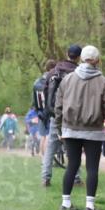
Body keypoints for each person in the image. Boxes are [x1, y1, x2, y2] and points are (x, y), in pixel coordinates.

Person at [54, 45, 105, 210]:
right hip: (93, 130)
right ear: (97, 61)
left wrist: (59, 127)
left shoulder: (67, 80)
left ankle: (65, 204)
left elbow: (58, 106)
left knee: (72, 165)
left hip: (70, 128)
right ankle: (90, 206)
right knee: (92, 168)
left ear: (81, 59)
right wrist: (98, 115)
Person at [41, 46, 80, 187]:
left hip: (55, 113)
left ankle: (45, 177)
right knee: (73, 147)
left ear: (66, 54)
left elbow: (46, 92)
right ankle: (76, 177)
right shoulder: (78, 73)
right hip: (72, 115)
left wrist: (49, 111)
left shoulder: (54, 71)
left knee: (51, 146)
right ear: (79, 57)